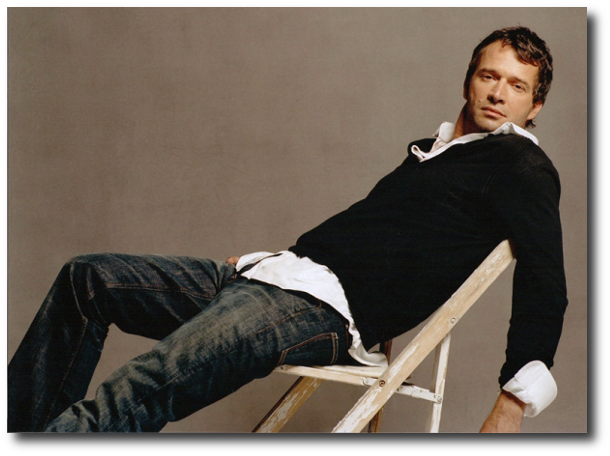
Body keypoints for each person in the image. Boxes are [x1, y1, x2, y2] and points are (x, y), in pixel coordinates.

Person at [8, 26, 567, 433]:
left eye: (517, 86)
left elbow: (545, 280)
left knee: (146, 382)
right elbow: (370, 233)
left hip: (319, 311)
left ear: (536, 104)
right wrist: (267, 262)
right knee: (87, 279)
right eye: (489, 76)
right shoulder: (436, 152)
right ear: (468, 80)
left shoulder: (521, 166)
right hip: (271, 277)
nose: (498, 93)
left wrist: (512, 403)